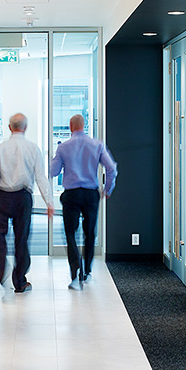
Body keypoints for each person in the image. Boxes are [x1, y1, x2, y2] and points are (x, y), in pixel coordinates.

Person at [0, 113, 54, 293]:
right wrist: (49, 202)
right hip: (23, 198)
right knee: (21, 238)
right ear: (25, 127)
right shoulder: (33, 149)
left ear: (9, 127)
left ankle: (1, 273)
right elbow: (40, 178)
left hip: (0, 196)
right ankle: (20, 281)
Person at [49, 114, 117, 290]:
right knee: (90, 233)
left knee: (70, 233)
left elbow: (53, 172)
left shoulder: (63, 147)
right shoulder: (97, 145)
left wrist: (55, 158)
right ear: (84, 125)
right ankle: (87, 271)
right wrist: (107, 189)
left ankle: (75, 271)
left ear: (70, 127)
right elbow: (112, 168)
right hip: (90, 194)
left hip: (71, 194)